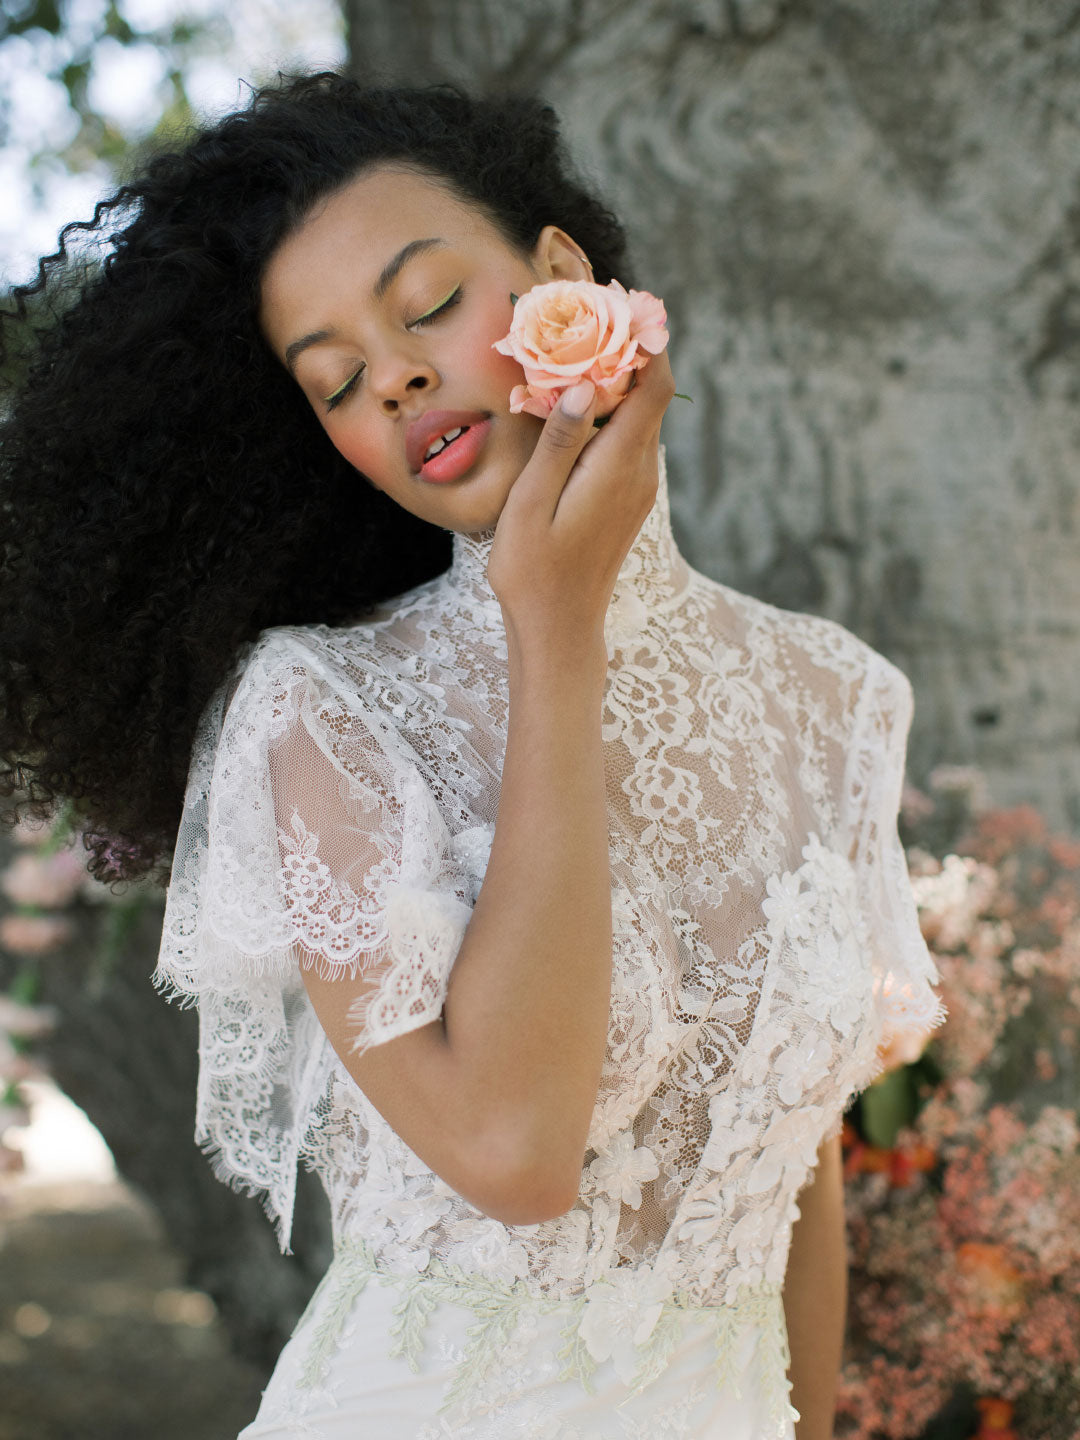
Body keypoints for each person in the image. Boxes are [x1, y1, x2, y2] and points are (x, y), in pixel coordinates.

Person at [0, 70, 946, 1440]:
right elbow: (513, 1150)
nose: (393, 374)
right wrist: (548, 628)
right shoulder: (321, 710)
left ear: (564, 274)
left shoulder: (832, 698)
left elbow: (789, 1181)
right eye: (335, 379)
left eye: (429, 304)